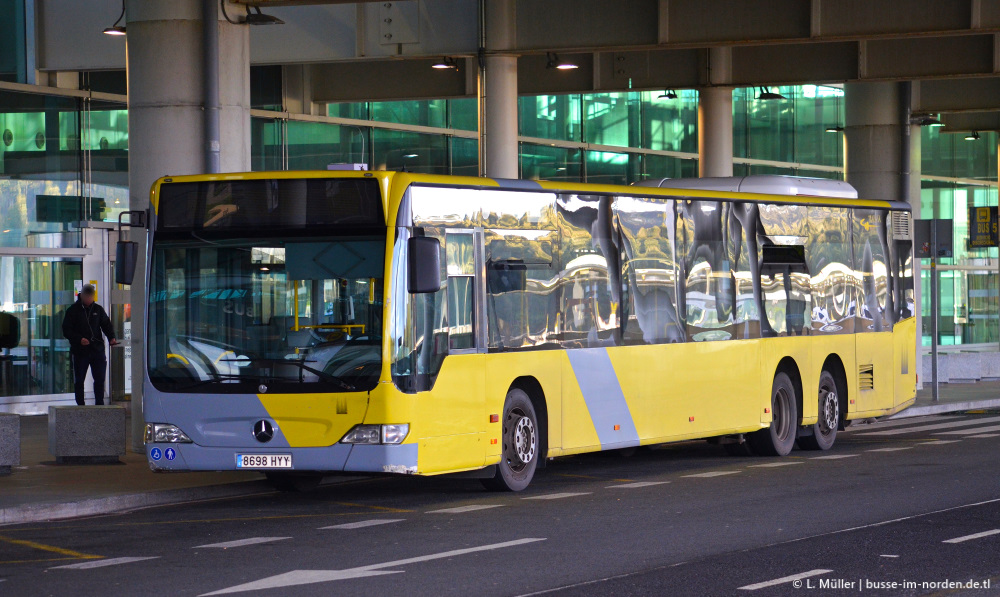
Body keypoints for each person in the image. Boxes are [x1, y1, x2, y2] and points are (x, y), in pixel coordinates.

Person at [62, 284, 118, 405]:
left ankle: (99, 404)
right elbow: (66, 330)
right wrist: (79, 339)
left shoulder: (98, 309)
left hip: (97, 350)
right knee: (79, 380)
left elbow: (106, 324)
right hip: (80, 351)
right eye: (86, 297)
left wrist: (111, 337)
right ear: (81, 295)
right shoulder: (72, 311)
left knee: (99, 379)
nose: (88, 300)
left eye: (90, 297)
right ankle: (81, 405)